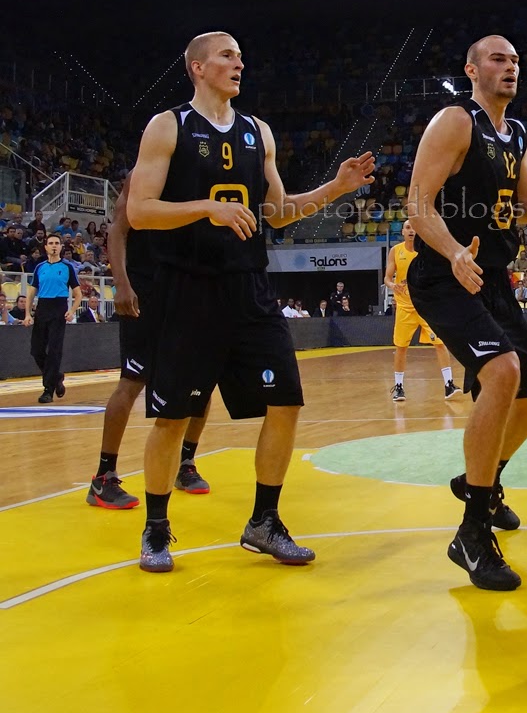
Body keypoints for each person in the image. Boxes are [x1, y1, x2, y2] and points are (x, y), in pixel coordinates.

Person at [127, 30, 374, 573]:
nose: (240, 63)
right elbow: (140, 212)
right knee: (172, 417)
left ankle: (264, 521)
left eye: (241, 56)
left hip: (249, 287)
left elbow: (278, 212)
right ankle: (156, 527)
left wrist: (335, 188)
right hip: (186, 287)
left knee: (285, 400)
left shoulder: (257, 132)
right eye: (227, 56)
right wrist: (204, 209)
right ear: (197, 67)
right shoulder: (168, 126)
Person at [407, 34, 527, 591]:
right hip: (443, 272)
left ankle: (483, 478)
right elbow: (417, 203)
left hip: (492, 277)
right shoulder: (456, 121)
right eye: (499, 59)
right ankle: (472, 533)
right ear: (472, 69)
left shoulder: (516, 134)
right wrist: (452, 252)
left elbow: (525, 205)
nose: (511, 68)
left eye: (517, 60)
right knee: (501, 371)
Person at [86, 171, 214, 511]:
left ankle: (185, 463)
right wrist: (122, 285)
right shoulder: (142, 173)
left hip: (185, 290)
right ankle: (103, 476)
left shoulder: (197, 171)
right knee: (131, 381)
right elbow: (117, 230)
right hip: (144, 291)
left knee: (201, 379)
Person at [384, 219, 459, 402]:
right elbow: (387, 278)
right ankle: (399, 387)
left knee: (440, 344)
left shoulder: (427, 251)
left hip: (426, 306)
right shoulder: (396, 251)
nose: (412, 231)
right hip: (404, 307)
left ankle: (449, 384)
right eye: (408, 228)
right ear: (402, 231)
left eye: (415, 228)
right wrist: (394, 285)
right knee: (401, 347)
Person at [24, 233, 82, 403]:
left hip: (59, 308)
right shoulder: (40, 267)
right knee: (36, 350)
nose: (54, 246)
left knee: (54, 351)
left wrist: (72, 311)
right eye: (51, 243)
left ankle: (48, 389)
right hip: (43, 308)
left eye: (57, 243)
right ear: (46, 247)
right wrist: (28, 313)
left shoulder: (67, 267)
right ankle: (56, 377)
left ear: (61, 247)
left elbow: (77, 293)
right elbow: (31, 291)